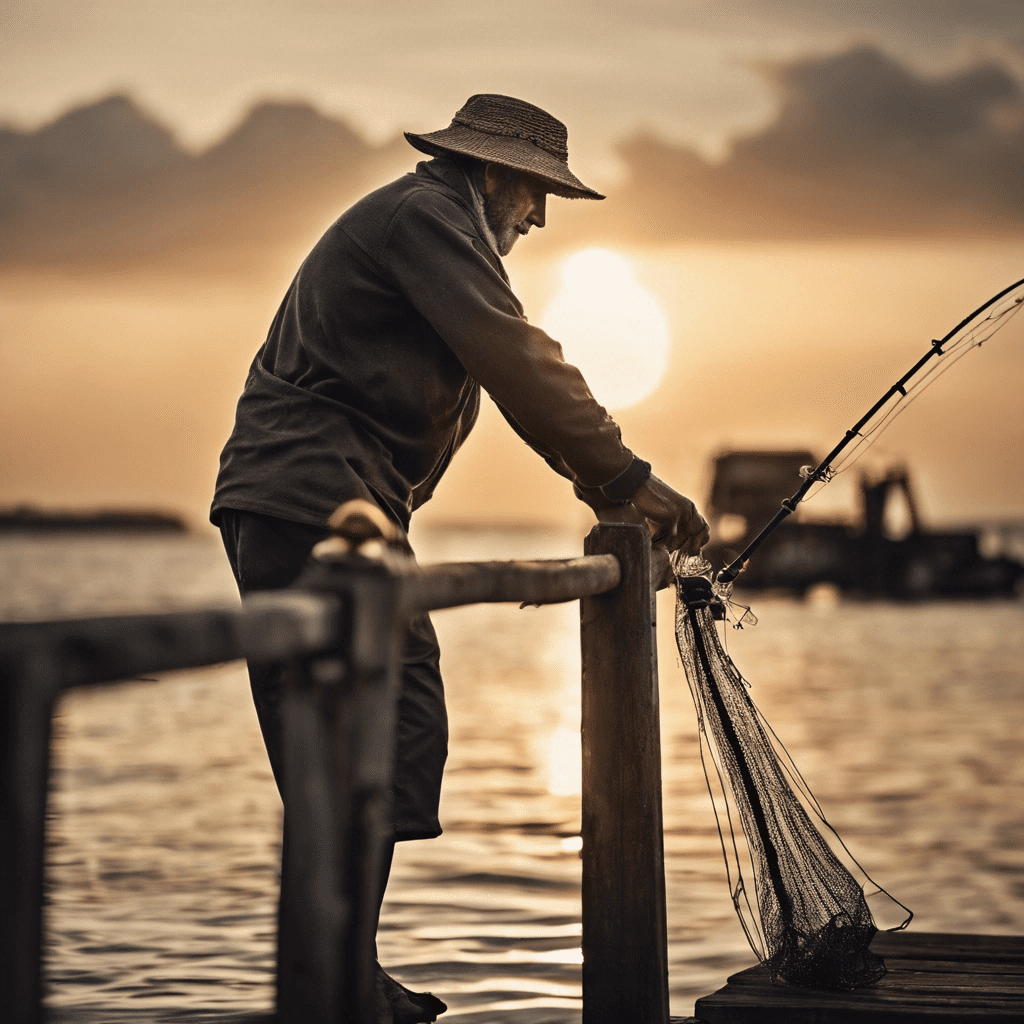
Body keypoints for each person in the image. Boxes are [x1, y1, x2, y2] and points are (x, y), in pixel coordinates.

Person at [211, 93, 709, 1023]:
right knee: (380, 708)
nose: (542, 216)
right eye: (534, 191)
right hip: (305, 499)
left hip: (322, 501)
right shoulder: (428, 219)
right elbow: (520, 361)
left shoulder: (437, 230)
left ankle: (345, 967)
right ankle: (339, 976)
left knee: (370, 717)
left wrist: (600, 490)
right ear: (489, 174)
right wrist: (629, 477)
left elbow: (501, 374)